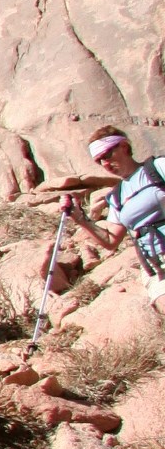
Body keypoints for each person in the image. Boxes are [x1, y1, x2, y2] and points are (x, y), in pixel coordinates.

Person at [66, 126, 165, 313]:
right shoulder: (117, 196)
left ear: (125, 147)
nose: (105, 163)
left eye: (107, 154)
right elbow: (111, 241)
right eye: (99, 160)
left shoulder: (158, 168)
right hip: (155, 264)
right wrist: (80, 219)